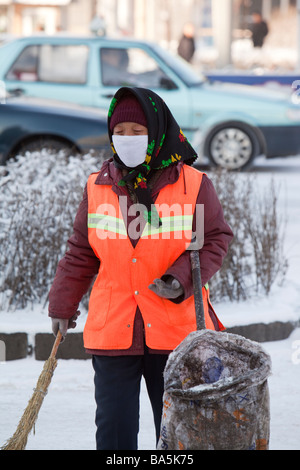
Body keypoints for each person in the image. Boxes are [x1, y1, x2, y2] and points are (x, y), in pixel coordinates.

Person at [48, 86, 233, 450]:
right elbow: (80, 251)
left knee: (179, 436)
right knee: (114, 433)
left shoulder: (193, 185)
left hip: (175, 332)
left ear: (158, 133)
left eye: (137, 132)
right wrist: (61, 303)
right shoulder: (98, 186)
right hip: (114, 328)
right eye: (120, 132)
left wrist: (180, 280)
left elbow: (215, 239)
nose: (127, 140)